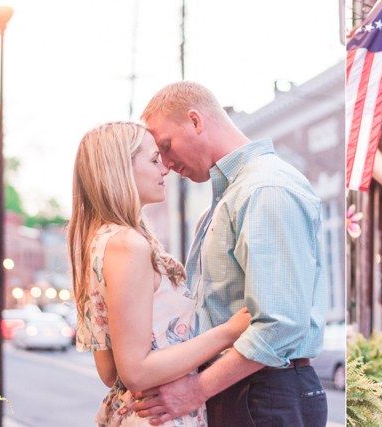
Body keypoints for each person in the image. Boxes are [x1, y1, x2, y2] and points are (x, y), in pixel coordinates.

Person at [132, 81, 328, 427]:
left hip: (264, 390)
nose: (164, 163)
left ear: (195, 121)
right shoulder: (228, 200)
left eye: (165, 145)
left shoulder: (265, 189)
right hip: (246, 389)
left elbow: (279, 324)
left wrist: (197, 389)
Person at [69, 121, 251, 427]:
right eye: (154, 160)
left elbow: (109, 372)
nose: (165, 168)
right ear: (120, 170)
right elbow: (135, 372)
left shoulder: (100, 243)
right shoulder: (129, 246)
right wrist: (229, 332)